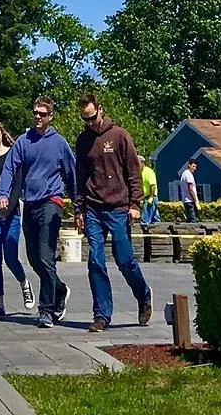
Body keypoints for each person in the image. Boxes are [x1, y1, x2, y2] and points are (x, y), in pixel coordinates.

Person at [74, 95, 152, 333]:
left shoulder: (119, 135)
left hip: (119, 207)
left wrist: (135, 204)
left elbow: (133, 172)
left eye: (92, 117)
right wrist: (79, 209)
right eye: (84, 119)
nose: (90, 123)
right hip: (94, 208)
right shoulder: (83, 140)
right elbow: (79, 177)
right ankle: (101, 315)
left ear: (100, 110)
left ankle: (143, 294)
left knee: (125, 260)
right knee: (95, 261)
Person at [0, 97, 76, 329]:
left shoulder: (59, 143)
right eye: (35, 113)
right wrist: (3, 194)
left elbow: (72, 174)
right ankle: (59, 289)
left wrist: (79, 205)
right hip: (29, 204)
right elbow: (10, 168)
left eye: (43, 113)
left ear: (51, 116)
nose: (38, 117)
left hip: (51, 203)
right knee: (33, 259)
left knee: (45, 255)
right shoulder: (23, 142)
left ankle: (46, 310)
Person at [0, 120, 33, 319]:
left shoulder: (12, 155)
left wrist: (8, 208)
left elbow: (17, 185)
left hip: (10, 213)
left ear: (2, 133)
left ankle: (24, 283)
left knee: (10, 258)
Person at [140, 156, 159, 230]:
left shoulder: (149, 171)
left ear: (142, 163)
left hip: (150, 197)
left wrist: (151, 197)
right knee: (155, 219)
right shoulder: (141, 172)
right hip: (146, 197)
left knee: (145, 220)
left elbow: (153, 185)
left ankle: (144, 235)